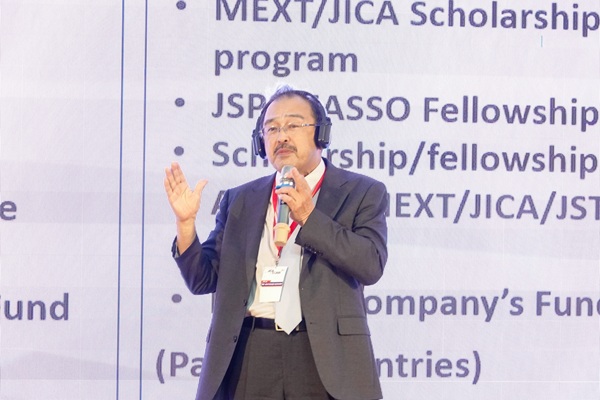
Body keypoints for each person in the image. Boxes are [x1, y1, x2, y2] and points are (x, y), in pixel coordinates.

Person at [164, 85, 388, 400]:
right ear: (261, 143)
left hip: (322, 357)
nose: (281, 136)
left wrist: (309, 217)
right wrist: (185, 224)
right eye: (271, 129)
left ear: (321, 134)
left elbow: (370, 264)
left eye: (293, 125)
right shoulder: (240, 200)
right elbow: (203, 279)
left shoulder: (362, 192)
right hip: (250, 353)